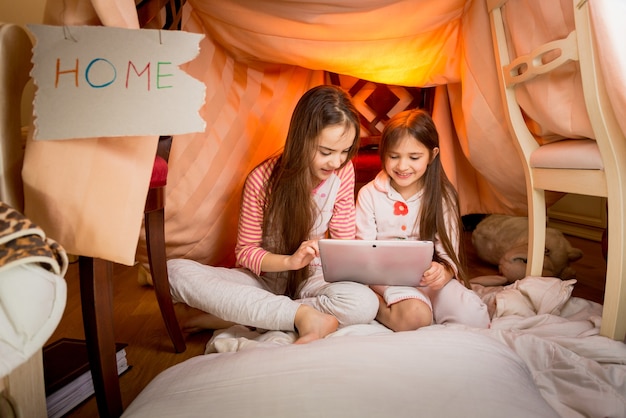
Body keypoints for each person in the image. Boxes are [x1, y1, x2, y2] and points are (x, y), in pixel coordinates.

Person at [167, 85, 379, 344]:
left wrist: (340, 258)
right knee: (172, 272)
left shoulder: (343, 172)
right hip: (265, 279)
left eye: (345, 151)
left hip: (313, 277)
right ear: (302, 139)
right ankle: (298, 314)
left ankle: (254, 313)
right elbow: (246, 251)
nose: (336, 162)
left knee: (364, 304)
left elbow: (343, 239)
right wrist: (290, 262)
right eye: (326, 152)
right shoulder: (262, 180)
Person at [356, 109, 490, 332]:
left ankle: (426, 305)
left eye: (414, 157)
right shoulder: (369, 194)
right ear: (383, 153)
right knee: (416, 317)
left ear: (432, 154)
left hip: (427, 278)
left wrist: (443, 272)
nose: (402, 166)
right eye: (394, 156)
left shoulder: (442, 195)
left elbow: (449, 256)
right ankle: (376, 305)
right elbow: (363, 253)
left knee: (474, 318)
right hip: (385, 278)